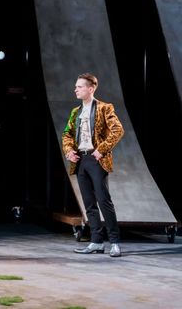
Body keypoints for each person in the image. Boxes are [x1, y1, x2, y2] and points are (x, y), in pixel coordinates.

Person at [62, 73, 124, 257]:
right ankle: (96, 241)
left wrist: (102, 149)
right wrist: (69, 150)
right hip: (81, 160)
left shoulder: (104, 108)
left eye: (79, 86)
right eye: (76, 86)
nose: (75, 89)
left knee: (104, 201)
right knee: (89, 203)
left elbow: (118, 129)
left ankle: (114, 242)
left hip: (96, 160)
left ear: (91, 88)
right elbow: (67, 134)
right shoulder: (76, 111)